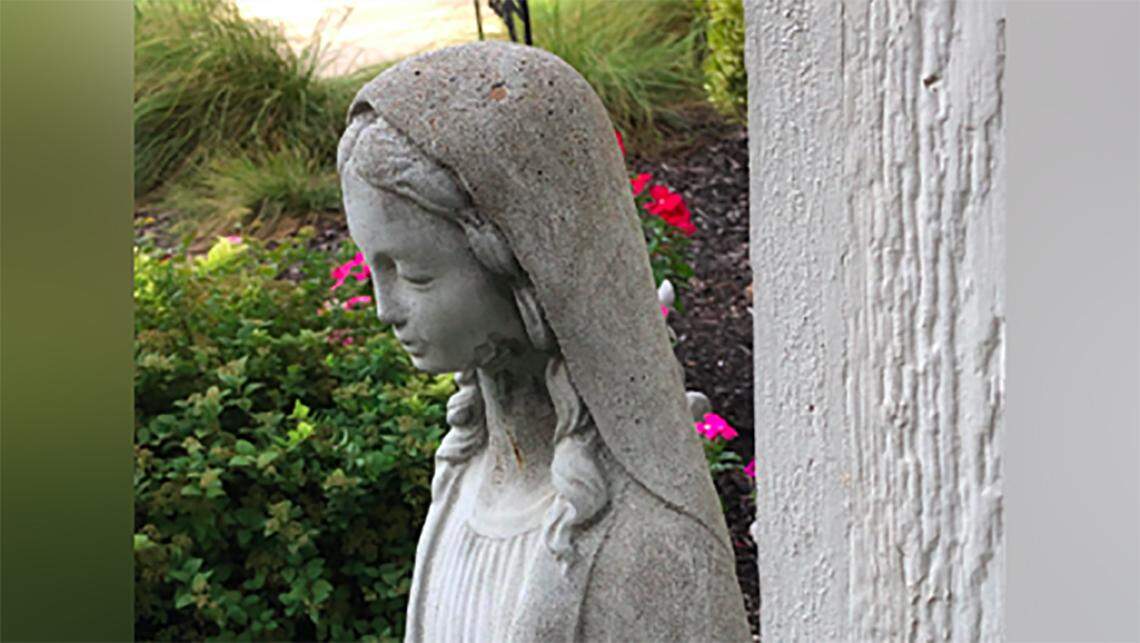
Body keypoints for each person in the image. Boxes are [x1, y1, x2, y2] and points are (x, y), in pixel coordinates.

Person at [337, 41, 750, 642]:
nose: (383, 309)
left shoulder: (643, 542)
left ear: (525, 270)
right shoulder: (464, 474)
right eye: (372, 268)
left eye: (415, 274)